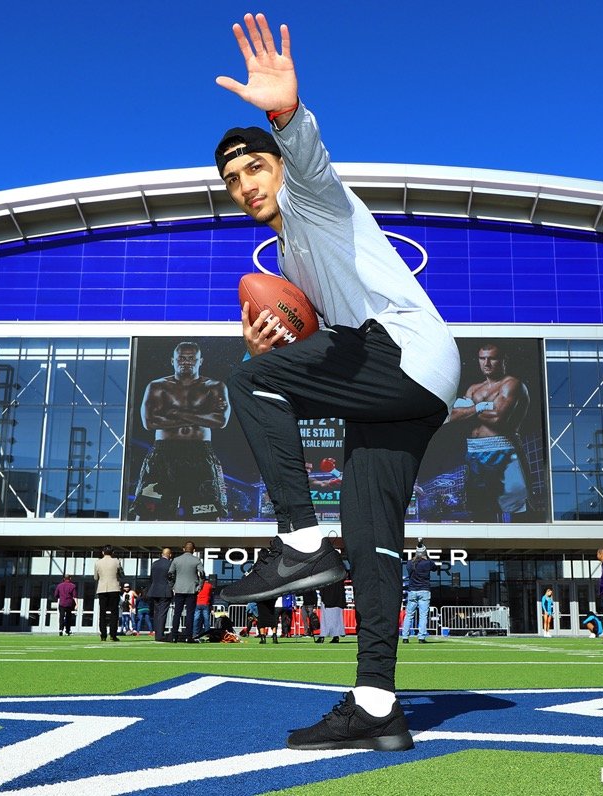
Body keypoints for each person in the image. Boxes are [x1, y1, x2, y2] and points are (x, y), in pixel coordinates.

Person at [216, 13, 459, 753]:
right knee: (375, 541)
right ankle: (378, 707)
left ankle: (297, 540)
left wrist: (285, 112)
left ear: (278, 167)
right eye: (231, 179)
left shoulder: (312, 197)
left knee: (251, 384)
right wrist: (279, 340)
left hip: (402, 351)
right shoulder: (290, 257)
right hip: (398, 376)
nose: (244, 183)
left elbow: (311, 158)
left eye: (254, 166)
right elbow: (323, 343)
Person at [131, 342, 231, 520]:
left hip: (200, 453)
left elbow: (221, 421)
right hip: (164, 453)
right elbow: (149, 422)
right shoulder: (157, 386)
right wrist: (200, 414)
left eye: (191, 358)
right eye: (182, 358)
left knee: (207, 513)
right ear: (173, 360)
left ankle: (202, 548)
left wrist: (175, 412)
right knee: (147, 512)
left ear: (200, 361)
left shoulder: (214, 386)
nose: (186, 362)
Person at [447, 343, 532, 522]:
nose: (486, 363)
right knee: (479, 509)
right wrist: (481, 406)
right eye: (482, 358)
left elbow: (497, 419)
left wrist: (469, 410)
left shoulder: (511, 384)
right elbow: (452, 415)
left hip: (503, 450)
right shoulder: (473, 388)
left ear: (503, 360)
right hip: (474, 453)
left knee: (514, 510)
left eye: (492, 358)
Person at [400, 545, 448, 644]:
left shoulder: (410, 563)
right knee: (423, 615)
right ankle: (421, 637)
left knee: (409, 615)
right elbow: (434, 568)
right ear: (424, 553)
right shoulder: (428, 562)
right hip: (424, 591)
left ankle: (405, 637)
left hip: (412, 591)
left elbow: (410, 569)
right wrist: (427, 557)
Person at [168, 541, 204, 643]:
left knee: (177, 613)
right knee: (190, 614)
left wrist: (173, 586)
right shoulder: (196, 560)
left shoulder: (176, 560)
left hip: (179, 589)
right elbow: (202, 574)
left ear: (183, 549)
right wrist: (200, 586)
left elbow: (170, 575)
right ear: (194, 550)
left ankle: (174, 635)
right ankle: (189, 636)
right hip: (191, 589)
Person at [94, 546, 123, 641]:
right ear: (112, 552)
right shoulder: (116, 561)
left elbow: (95, 577)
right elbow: (121, 574)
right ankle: (113, 635)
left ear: (103, 552)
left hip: (102, 589)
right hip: (114, 588)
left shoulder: (98, 562)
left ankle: (103, 635)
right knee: (114, 612)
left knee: (102, 612)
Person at [146, 547, 173, 642]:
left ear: (162, 554)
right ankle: (160, 635)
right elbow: (171, 578)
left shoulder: (154, 564)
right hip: (165, 591)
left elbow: (151, 579)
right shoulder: (170, 564)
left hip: (154, 591)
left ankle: (157, 633)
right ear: (170, 555)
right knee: (162, 613)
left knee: (156, 613)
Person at [319, 577, 347, 644]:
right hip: (338, 599)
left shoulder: (327, 575)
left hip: (328, 598)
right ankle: (335, 636)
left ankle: (323, 636)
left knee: (325, 619)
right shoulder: (340, 574)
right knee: (337, 619)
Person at [192, 575, 213, 640]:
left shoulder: (197, 585)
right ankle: (207, 633)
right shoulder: (209, 585)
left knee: (196, 619)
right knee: (206, 619)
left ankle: (195, 633)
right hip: (206, 603)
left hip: (198, 603)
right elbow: (210, 595)